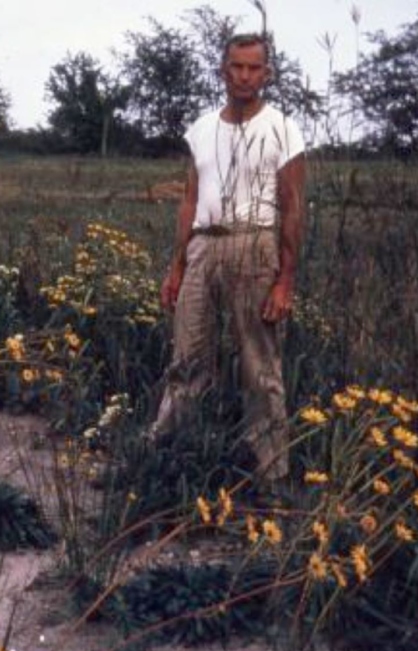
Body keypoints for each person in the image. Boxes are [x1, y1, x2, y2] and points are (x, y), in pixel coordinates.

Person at [149, 32, 306, 487]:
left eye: (254, 67)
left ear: (267, 74)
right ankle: (163, 456)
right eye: (237, 66)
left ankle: (272, 475)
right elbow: (190, 198)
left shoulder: (282, 128)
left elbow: (293, 206)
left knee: (259, 368)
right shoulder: (201, 129)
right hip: (203, 246)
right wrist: (177, 266)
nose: (244, 76)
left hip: (255, 246)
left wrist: (285, 281)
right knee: (188, 359)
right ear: (223, 70)